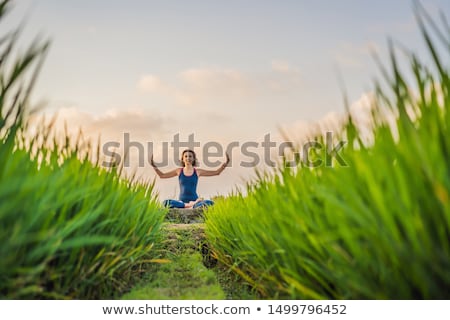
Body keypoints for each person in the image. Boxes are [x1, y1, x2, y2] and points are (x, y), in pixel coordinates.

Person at [150, 149, 230, 209]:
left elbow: (216, 172)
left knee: (210, 203)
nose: (188, 158)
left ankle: (192, 205)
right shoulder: (179, 171)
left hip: (195, 202)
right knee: (165, 202)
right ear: (183, 159)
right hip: (181, 202)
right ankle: (188, 205)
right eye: (186, 156)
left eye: (190, 156)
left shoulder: (198, 172)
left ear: (193, 159)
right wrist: (153, 165)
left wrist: (225, 164)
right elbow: (162, 175)